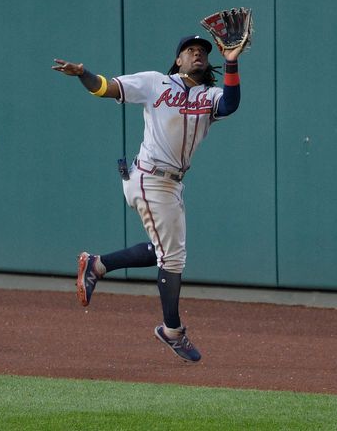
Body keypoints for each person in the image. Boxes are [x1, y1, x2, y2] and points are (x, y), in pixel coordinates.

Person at [51, 35, 244, 362]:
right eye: (190, 50)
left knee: (165, 251)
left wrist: (231, 61)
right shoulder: (156, 83)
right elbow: (106, 87)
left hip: (170, 185)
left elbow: (230, 103)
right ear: (178, 60)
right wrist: (84, 73)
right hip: (149, 177)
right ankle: (172, 330)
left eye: (202, 51)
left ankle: (96, 265)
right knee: (172, 260)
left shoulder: (209, 96)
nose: (197, 54)